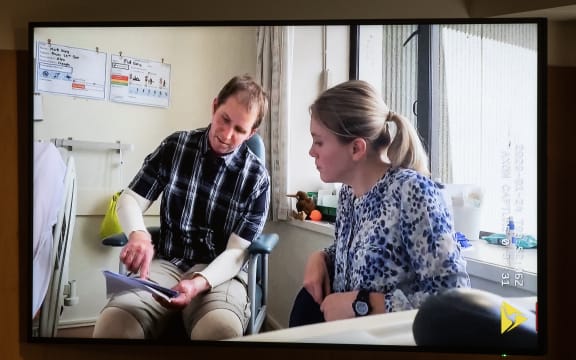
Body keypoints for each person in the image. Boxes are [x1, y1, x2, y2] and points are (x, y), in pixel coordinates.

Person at [93, 74, 270, 340]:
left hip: (219, 274)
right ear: (214, 107)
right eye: (224, 119)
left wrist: (198, 282)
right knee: (113, 326)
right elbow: (130, 199)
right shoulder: (175, 146)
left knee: (220, 332)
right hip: (167, 261)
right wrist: (138, 234)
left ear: (251, 133)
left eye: (240, 130)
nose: (226, 134)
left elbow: (235, 253)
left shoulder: (257, 179)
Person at [289, 80, 470, 327]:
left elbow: (454, 297)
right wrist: (321, 256)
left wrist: (363, 305)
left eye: (319, 141)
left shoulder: (412, 192)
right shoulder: (348, 194)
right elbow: (357, 254)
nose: (312, 152)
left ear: (356, 148)